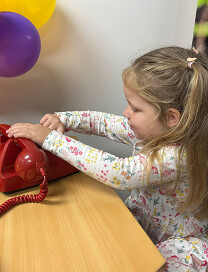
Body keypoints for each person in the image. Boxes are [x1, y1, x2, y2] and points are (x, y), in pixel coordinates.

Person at [6, 46, 208, 271]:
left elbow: (118, 173)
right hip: (145, 224)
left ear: (171, 117)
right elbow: (102, 123)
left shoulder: (179, 155)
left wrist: (51, 140)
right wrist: (63, 119)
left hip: (178, 243)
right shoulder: (156, 129)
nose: (126, 112)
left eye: (135, 108)